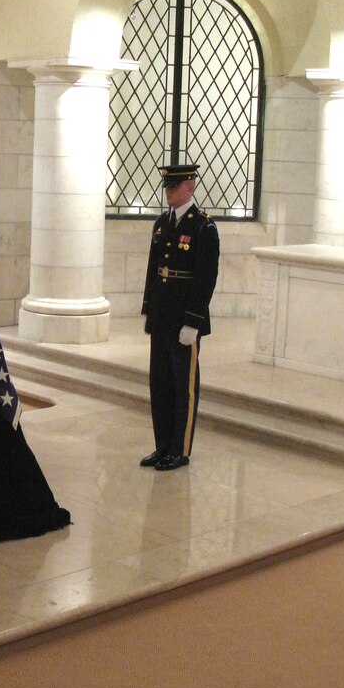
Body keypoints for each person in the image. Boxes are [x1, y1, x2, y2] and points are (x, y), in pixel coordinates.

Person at [139, 163, 219, 471]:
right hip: (162, 315)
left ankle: (180, 449)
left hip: (184, 318)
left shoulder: (203, 227)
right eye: (167, 188)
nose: (169, 193)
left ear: (190, 187)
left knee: (183, 385)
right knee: (159, 383)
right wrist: (149, 308)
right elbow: (154, 270)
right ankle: (162, 447)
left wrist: (193, 322)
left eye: (174, 187)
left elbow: (206, 278)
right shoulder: (162, 223)